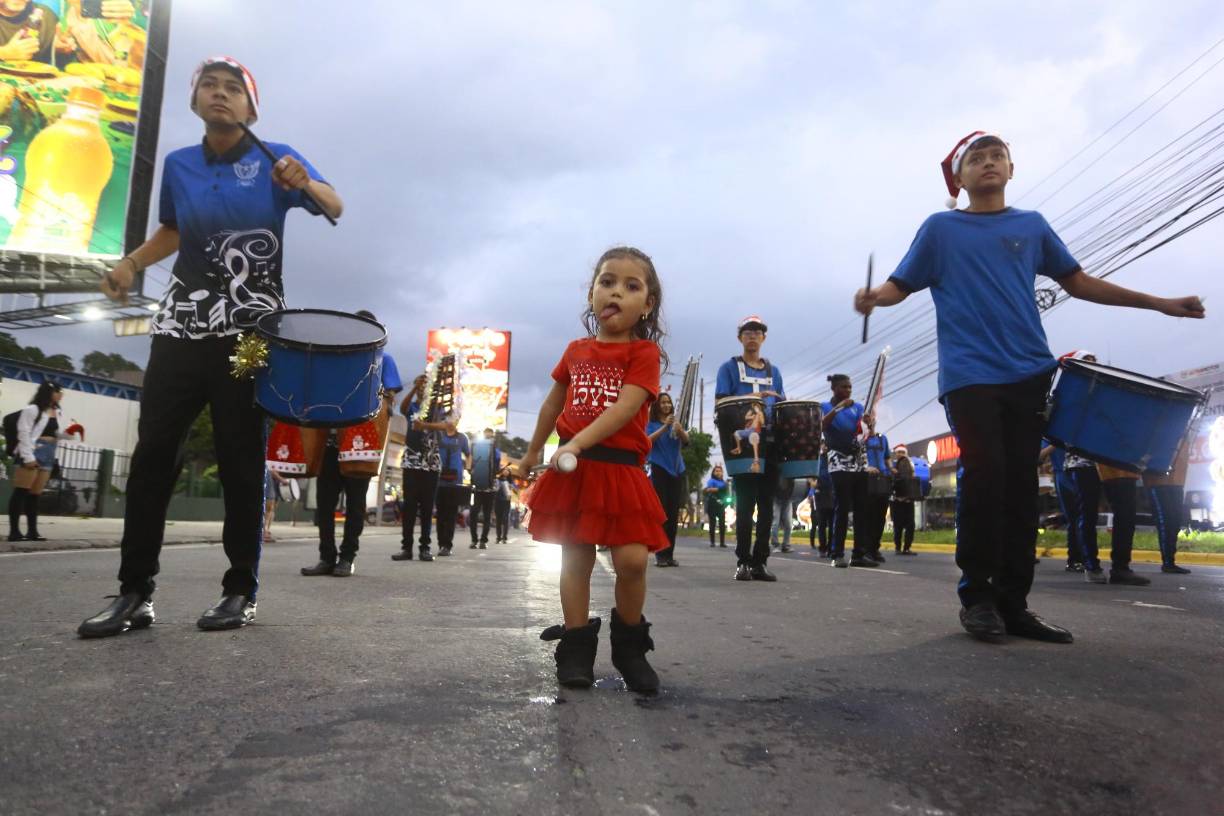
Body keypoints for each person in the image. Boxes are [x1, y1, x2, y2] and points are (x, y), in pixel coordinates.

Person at [854, 130, 1204, 644]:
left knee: (1020, 489)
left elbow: (1079, 282)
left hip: (1029, 373)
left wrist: (1159, 303)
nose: (990, 163)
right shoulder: (940, 230)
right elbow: (898, 285)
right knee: (986, 476)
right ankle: (977, 599)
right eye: (978, 158)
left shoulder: (1032, 226)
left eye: (999, 156)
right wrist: (874, 298)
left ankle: (1014, 603)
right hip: (970, 376)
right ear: (961, 175)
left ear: (1011, 171)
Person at [79, 56, 342, 638]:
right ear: (195, 100)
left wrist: (306, 182)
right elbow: (172, 231)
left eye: (232, 89)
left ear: (251, 109)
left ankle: (239, 590)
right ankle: (134, 593)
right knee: (152, 458)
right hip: (179, 326)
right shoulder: (178, 164)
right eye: (209, 86)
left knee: (242, 461)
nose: (219, 95)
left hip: (249, 334)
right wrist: (130, 263)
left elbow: (334, 206)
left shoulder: (276, 160)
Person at [517, 246, 668, 694]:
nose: (616, 292)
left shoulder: (644, 354)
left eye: (631, 286)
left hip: (619, 470)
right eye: (607, 282)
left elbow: (625, 408)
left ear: (648, 303)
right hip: (574, 472)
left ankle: (630, 648)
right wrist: (530, 453)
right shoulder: (575, 350)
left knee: (633, 560)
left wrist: (578, 443)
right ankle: (577, 647)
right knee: (575, 559)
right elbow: (552, 403)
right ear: (591, 293)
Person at [301, 311, 400, 578]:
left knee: (355, 504)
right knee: (325, 504)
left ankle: (347, 557)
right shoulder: (336, 358)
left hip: (359, 444)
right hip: (330, 442)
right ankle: (326, 557)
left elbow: (390, 395)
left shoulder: (383, 359)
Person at [715, 316, 785, 582]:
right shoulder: (729, 368)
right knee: (745, 504)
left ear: (764, 338)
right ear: (740, 338)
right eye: (747, 332)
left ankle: (760, 561)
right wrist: (752, 399)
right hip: (744, 443)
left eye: (757, 332)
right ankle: (743, 560)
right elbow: (721, 402)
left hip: (770, 441)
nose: (752, 336)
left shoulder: (773, 372)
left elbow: (781, 402)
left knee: (767, 504)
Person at [9, 382, 81, 541]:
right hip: (33, 450)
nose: (61, 395)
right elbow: (24, 432)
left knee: (35, 494)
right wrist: (28, 457)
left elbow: (56, 432)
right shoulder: (32, 410)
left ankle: (32, 531)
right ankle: (14, 531)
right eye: (58, 391)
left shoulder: (58, 412)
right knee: (21, 491)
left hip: (49, 452)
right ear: (49, 392)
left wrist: (70, 432)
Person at [392, 374, 451, 562]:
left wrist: (424, 424)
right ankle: (406, 548)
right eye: (420, 385)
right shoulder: (413, 407)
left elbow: (448, 426)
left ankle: (425, 548)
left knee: (427, 508)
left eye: (426, 385)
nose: (422, 388)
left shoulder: (437, 408)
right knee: (409, 507)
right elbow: (402, 409)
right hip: (411, 462)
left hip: (431, 464)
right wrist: (412, 389)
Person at [821, 374, 876, 569]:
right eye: (844, 387)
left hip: (858, 460)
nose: (848, 390)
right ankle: (837, 553)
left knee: (862, 508)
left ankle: (859, 553)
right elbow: (822, 425)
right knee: (842, 507)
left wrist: (870, 423)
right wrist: (838, 408)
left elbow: (866, 431)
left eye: (850, 387)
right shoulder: (826, 407)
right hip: (838, 461)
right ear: (834, 389)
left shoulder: (858, 408)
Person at [647, 391, 687, 567]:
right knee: (662, 513)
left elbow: (687, 440)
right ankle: (660, 554)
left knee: (673, 513)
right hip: (660, 469)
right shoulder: (651, 424)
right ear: (657, 406)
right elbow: (647, 441)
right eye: (663, 403)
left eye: (668, 402)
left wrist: (680, 431)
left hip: (677, 470)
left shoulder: (676, 423)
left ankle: (669, 554)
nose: (666, 405)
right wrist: (665, 427)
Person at [1096, 463, 1150, 585]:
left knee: (1125, 517)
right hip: (1119, 466)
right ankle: (1120, 567)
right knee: (1125, 517)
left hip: (1120, 467)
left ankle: (1120, 566)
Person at [1144, 441, 1192, 574]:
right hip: (1157, 477)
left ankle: (1170, 560)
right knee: (1165, 519)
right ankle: (1168, 562)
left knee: (1175, 520)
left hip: (1177, 478)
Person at [1040, 439, 1085, 572]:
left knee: (1084, 518)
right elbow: (1040, 455)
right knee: (1074, 518)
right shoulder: (1053, 434)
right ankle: (1075, 559)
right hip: (1064, 476)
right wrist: (1056, 444)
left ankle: (1084, 558)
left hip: (1083, 474)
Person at [434, 421, 471, 557]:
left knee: (451, 515)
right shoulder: (439, 434)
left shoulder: (462, 438)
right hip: (439, 480)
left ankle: (447, 545)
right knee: (440, 515)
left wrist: (468, 469)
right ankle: (440, 544)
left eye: (454, 419)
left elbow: (468, 455)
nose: (451, 422)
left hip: (455, 482)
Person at [862, 413, 892, 563]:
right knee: (869, 517)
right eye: (867, 419)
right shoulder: (861, 440)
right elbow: (857, 458)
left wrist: (892, 470)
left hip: (883, 480)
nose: (870, 422)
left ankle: (875, 548)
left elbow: (887, 458)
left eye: (872, 419)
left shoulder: (882, 438)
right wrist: (866, 467)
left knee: (880, 517)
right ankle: (866, 549)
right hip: (868, 480)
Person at [469, 428, 501, 549]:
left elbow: (471, 464)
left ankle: (474, 541)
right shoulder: (495, 450)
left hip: (477, 487)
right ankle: (482, 541)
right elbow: (497, 467)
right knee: (486, 515)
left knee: (474, 514)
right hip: (490, 488)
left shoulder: (476, 446)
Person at [890, 445, 917, 555]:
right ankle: (898, 547)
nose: (900, 453)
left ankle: (906, 547)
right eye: (898, 452)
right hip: (897, 500)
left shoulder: (910, 465)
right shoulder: (893, 467)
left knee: (910, 525)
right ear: (896, 453)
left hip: (908, 500)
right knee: (898, 525)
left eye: (902, 452)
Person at [703, 464, 729, 548]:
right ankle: (712, 542)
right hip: (712, 503)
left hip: (721, 504)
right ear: (713, 472)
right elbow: (709, 489)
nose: (718, 473)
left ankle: (722, 542)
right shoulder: (711, 481)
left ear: (722, 472)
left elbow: (725, 491)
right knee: (712, 523)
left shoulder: (724, 482)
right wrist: (718, 489)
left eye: (720, 471)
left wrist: (716, 489)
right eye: (716, 471)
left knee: (722, 524)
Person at [262, 468, 290, 543]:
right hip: (268, 482)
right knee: (268, 509)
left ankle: (266, 531)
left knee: (271, 509)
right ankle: (264, 532)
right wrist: (282, 480)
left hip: (272, 483)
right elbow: (272, 469)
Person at [769, 475, 795, 553]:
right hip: (776, 499)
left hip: (787, 499)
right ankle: (775, 545)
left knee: (788, 524)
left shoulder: (791, 470)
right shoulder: (778, 471)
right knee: (775, 523)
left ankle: (786, 545)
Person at [494, 465, 514, 543]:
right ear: (502, 471)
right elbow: (495, 489)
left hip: (506, 501)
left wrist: (510, 487)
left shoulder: (511, 481)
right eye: (504, 470)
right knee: (498, 520)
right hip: (498, 501)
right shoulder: (497, 479)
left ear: (509, 472)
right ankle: (498, 537)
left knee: (505, 519)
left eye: (507, 470)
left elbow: (514, 489)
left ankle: (504, 537)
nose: (506, 471)